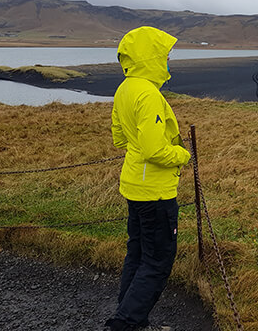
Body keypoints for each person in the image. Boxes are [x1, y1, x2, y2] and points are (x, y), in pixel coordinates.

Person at [106, 26, 191, 331]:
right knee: (157, 262)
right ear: (151, 56)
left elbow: (119, 138)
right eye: (166, 55)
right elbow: (156, 150)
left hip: (134, 185)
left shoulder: (125, 88)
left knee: (138, 254)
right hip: (155, 191)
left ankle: (129, 317)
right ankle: (125, 324)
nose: (169, 60)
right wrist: (183, 155)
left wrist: (140, 144)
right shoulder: (149, 94)